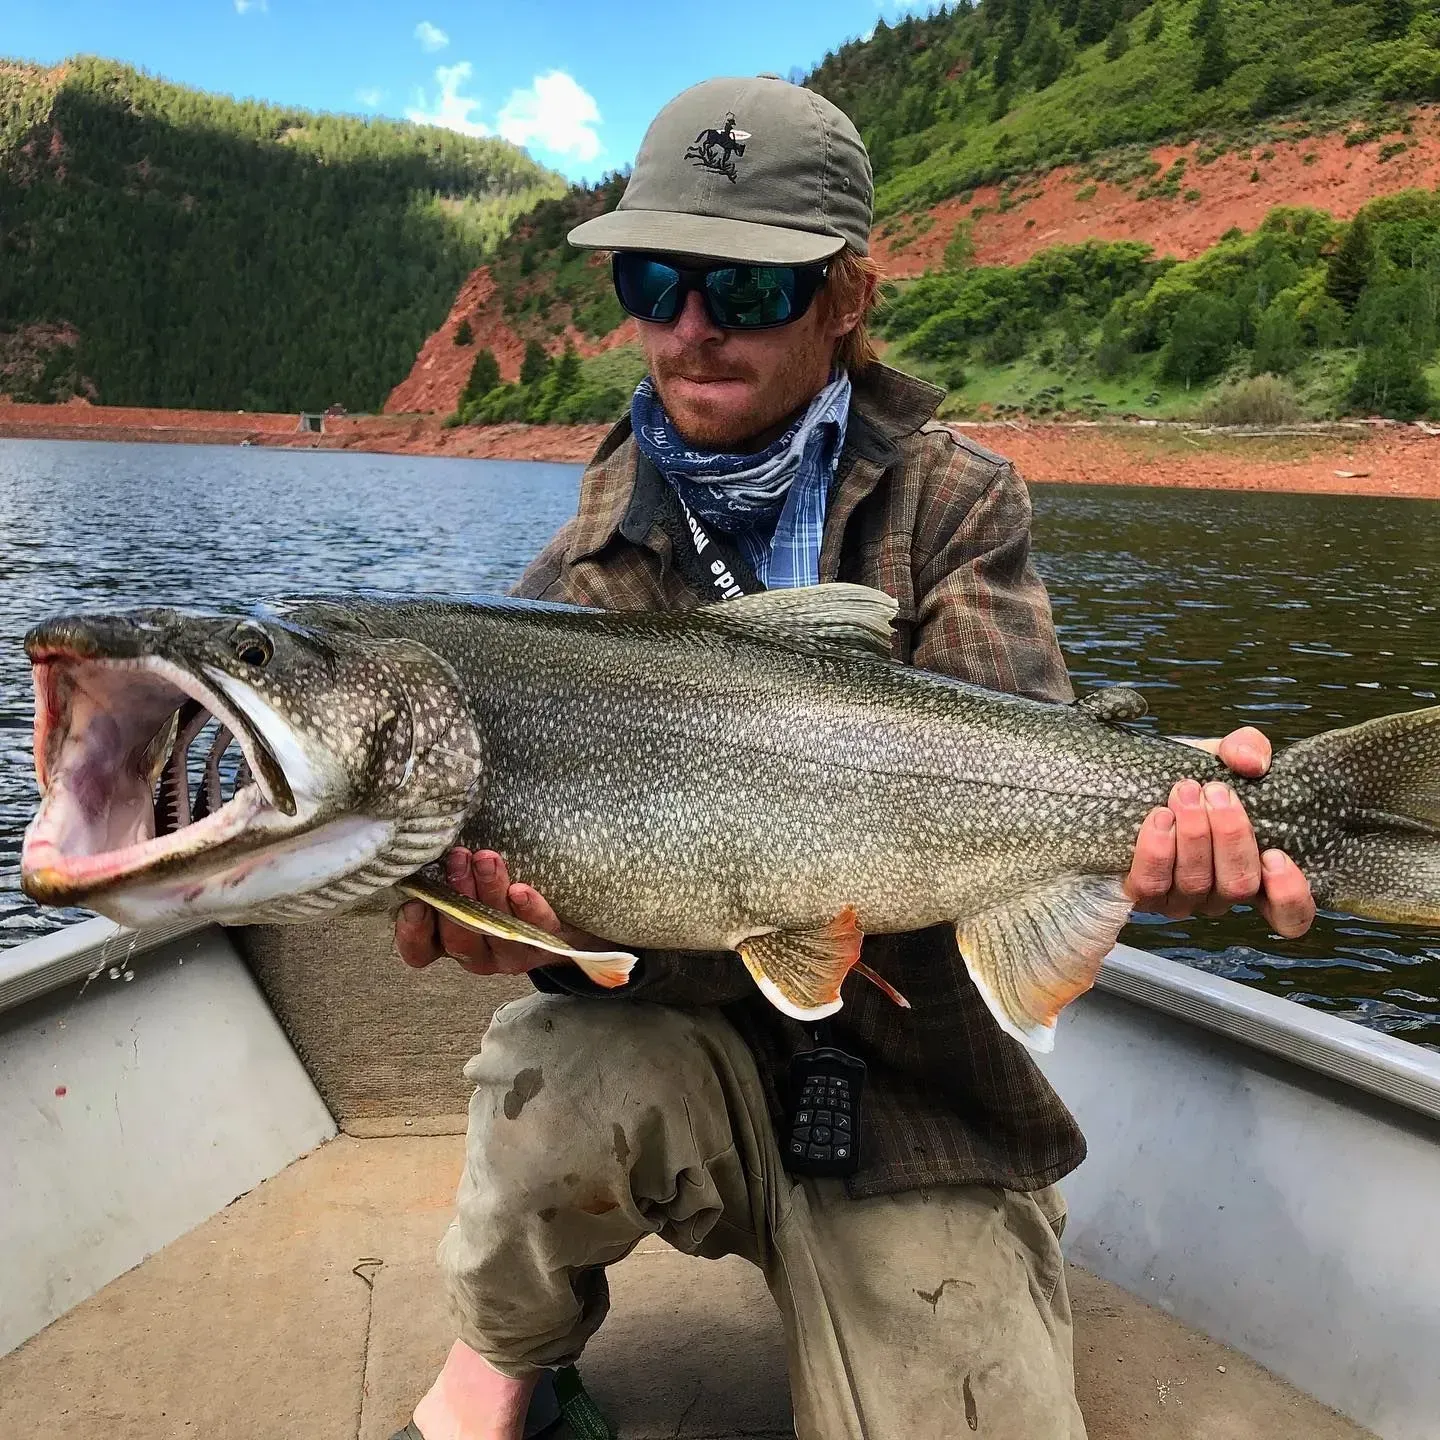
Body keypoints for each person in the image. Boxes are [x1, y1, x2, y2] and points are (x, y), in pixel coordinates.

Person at [390, 75, 1316, 1440]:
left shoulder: (955, 499)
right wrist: (530, 939)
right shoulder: (578, 574)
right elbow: (580, 925)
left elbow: (1026, 765)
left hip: (913, 1090)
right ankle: (507, 1360)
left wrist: (1158, 832)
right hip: (678, 1050)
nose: (693, 330)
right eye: (658, 279)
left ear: (844, 298)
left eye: (748, 291)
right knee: (548, 1073)